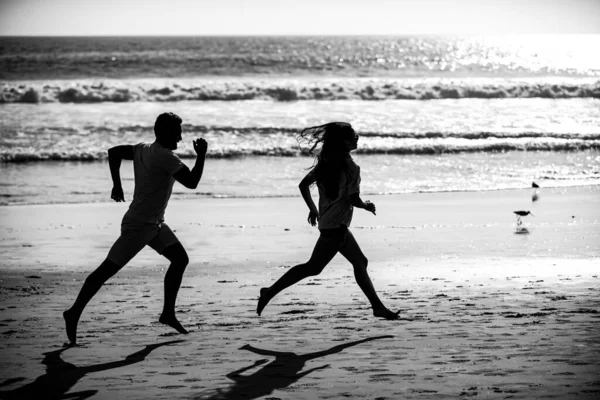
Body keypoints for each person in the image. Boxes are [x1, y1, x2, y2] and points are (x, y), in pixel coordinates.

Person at [63, 112, 207, 345]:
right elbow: (192, 182)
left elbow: (113, 152)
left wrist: (117, 185)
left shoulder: (143, 148)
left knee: (180, 259)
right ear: (166, 133)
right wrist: (201, 156)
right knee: (105, 271)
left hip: (154, 224)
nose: (180, 138)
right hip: (139, 226)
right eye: (178, 132)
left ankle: (168, 313)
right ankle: (73, 312)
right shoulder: (166, 157)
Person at [256, 122, 399, 320]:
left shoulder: (326, 164)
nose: (356, 137)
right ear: (343, 142)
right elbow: (352, 199)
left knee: (359, 262)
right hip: (336, 227)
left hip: (331, 224)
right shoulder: (351, 168)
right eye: (352, 136)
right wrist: (366, 205)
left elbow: (303, 185)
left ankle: (377, 307)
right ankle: (269, 292)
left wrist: (313, 209)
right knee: (313, 267)